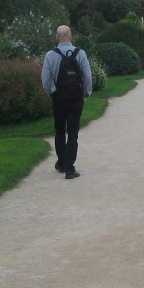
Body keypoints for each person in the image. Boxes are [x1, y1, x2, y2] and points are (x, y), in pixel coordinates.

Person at [40, 25, 93, 179]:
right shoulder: (80, 53)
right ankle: (70, 168)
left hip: (58, 97)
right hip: (75, 97)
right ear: (71, 36)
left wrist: (50, 91)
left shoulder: (50, 55)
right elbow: (87, 76)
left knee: (59, 130)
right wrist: (86, 92)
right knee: (73, 132)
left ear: (57, 37)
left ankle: (62, 163)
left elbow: (45, 79)